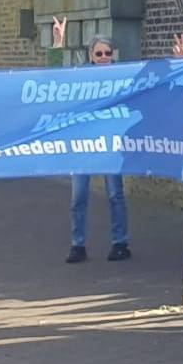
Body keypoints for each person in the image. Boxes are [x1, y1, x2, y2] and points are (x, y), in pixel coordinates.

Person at [66, 35, 130, 264]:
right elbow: (55, 78)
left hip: (110, 143)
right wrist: (57, 44)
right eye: (99, 53)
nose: (103, 57)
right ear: (91, 56)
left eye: (107, 53)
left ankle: (120, 243)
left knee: (115, 193)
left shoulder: (123, 76)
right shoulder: (81, 76)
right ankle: (78, 245)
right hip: (83, 143)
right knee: (79, 196)